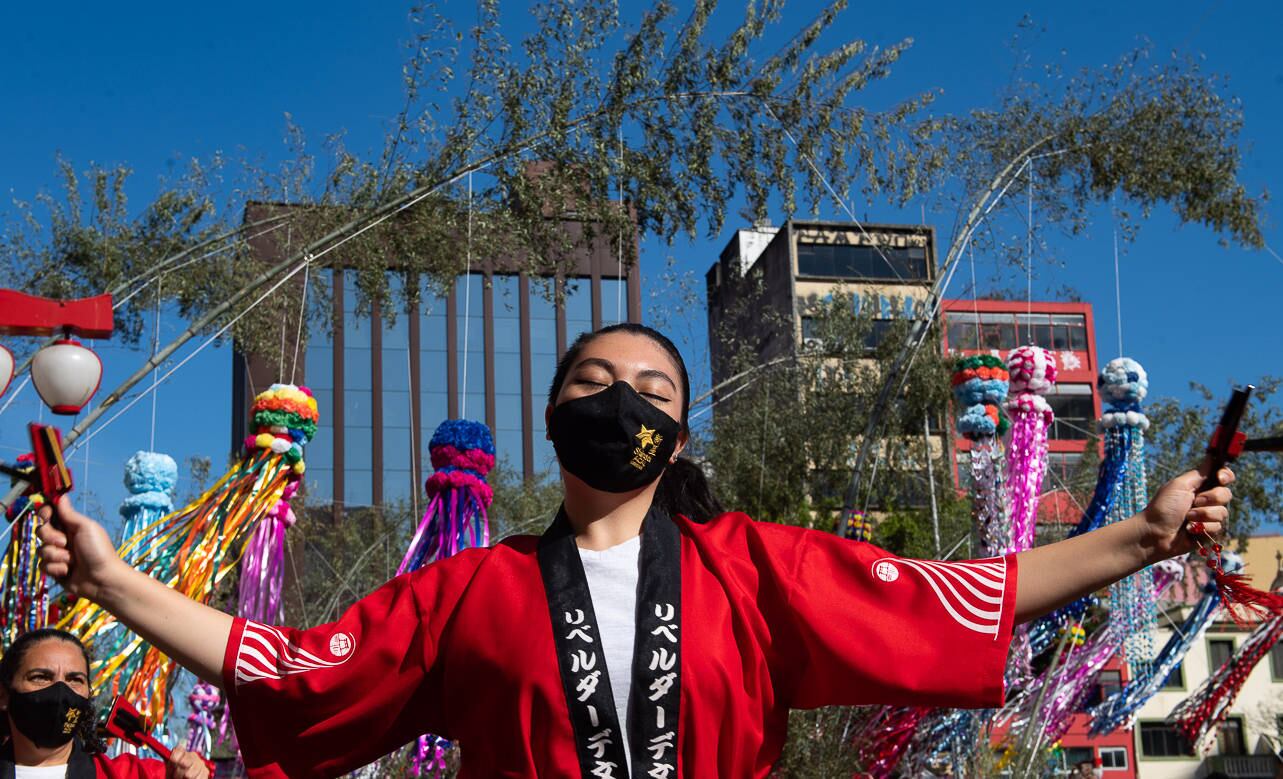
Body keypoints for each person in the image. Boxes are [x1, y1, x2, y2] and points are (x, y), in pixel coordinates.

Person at [36, 324, 1234, 779]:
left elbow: (958, 597)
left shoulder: (752, 567)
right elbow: (287, 662)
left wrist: (1142, 529)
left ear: (677, 429)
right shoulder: (471, 588)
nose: (618, 399)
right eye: (592, 381)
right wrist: (111, 580)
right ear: (554, 414)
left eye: (649, 385)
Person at [0, 628, 208, 779]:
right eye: (41, 677)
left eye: (75, 679)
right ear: (4, 695)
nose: (60, 692)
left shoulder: (132, 776)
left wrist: (194, 771)